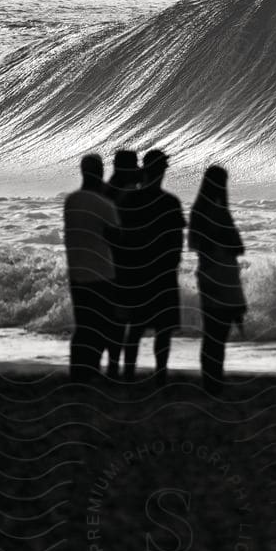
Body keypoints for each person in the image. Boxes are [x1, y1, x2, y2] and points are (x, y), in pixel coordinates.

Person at [113, 149, 186, 383]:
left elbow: (120, 239)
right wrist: (172, 266)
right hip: (162, 273)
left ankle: (128, 373)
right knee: (162, 330)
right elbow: (176, 243)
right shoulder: (169, 202)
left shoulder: (130, 200)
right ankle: (160, 375)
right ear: (161, 171)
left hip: (137, 272)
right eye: (163, 168)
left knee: (135, 326)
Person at [187, 165, 247, 396]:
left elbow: (195, 245)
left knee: (211, 333)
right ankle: (214, 383)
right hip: (224, 276)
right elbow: (238, 246)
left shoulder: (198, 211)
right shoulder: (219, 212)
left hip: (207, 275)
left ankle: (210, 381)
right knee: (219, 335)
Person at [62, 154, 120, 382]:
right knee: (102, 326)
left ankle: (78, 373)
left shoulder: (72, 201)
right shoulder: (105, 205)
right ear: (100, 172)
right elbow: (117, 237)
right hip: (102, 274)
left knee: (83, 325)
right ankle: (93, 370)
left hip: (77, 272)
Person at [100, 148, 140, 377]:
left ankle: (116, 366)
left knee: (118, 318)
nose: (136, 169)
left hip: (111, 262)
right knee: (122, 319)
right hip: (122, 263)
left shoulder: (109, 189)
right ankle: (119, 368)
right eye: (133, 165)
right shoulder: (119, 192)